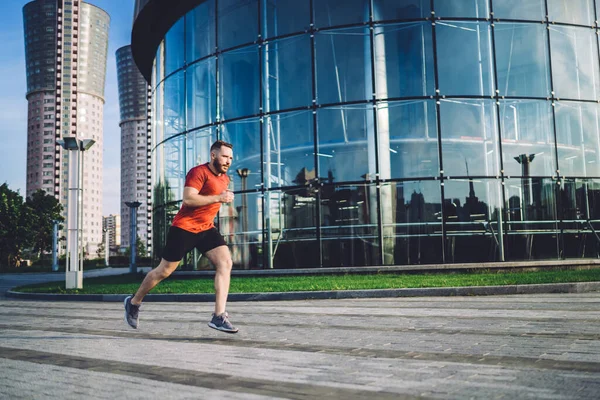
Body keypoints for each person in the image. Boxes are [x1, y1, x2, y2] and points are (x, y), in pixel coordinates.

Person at [124, 140, 238, 333]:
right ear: (213, 155)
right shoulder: (198, 172)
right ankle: (134, 302)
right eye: (225, 156)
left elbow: (214, 203)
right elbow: (189, 198)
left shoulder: (225, 179)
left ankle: (219, 316)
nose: (228, 161)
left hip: (206, 229)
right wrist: (218, 198)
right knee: (164, 271)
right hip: (184, 228)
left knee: (225, 262)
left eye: (231, 158)